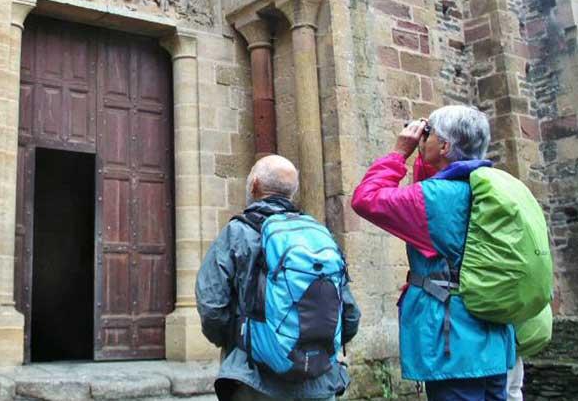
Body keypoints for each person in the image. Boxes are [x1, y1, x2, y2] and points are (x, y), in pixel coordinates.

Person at [351, 105, 516, 401]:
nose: (422, 138)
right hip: (492, 339)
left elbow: (367, 199)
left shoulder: (435, 200)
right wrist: (429, 156)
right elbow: (434, 189)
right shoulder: (491, 187)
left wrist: (399, 153)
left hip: (453, 346)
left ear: (444, 146)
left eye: (430, 135)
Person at [196, 155, 360, 401]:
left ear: (254, 185)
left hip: (256, 380)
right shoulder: (318, 234)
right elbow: (350, 313)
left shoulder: (237, 232)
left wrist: (239, 340)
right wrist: (316, 349)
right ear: (291, 193)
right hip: (319, 381)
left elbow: (211, 305)